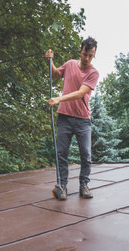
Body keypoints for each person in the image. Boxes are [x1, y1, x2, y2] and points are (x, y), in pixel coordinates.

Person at [45, 37, 99, 200]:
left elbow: (81, 92)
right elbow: (54, 74)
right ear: (80, 51)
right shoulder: (69, 64)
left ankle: (84, 185)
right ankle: (62, 186)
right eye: (85, 54)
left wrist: (58, 99)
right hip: (65, 118)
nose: (87, 59)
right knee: (61, 153)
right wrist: (49, 61)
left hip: (83, 119)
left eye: (91, 56)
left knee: (86, 154)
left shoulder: (93, 73)